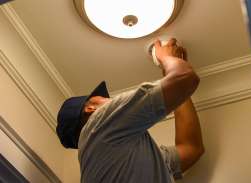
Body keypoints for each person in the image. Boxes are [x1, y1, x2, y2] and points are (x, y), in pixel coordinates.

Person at [56, 38, 205, 183]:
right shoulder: (98, 125)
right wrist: (166, 58)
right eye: (103, 98)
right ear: (91, 108)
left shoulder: (117, 157)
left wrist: (172, 79)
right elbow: (185, 78)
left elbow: (191, 148)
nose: (110, 101)